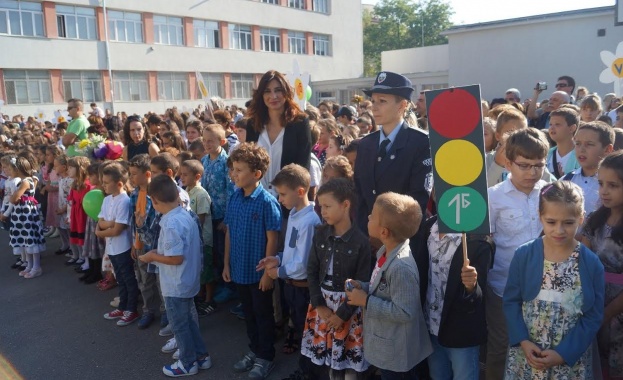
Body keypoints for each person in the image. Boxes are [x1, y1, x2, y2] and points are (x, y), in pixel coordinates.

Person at [504, 181, 604, 378]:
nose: (559, 230)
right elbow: (511, 302)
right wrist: (523, 340)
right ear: (540, 217)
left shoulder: (591, 264)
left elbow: (593, 316)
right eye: (551, 222)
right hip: (528, 356)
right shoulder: (523, 255)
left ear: (581, 219)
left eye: (568, 223)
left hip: (570, 362)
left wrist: (563, 354)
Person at [486, 128, 550, 380]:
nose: (532, 173)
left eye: (538, 166)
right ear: (508, 162)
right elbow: (485, 243)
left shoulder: (551, 192)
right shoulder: (494, 197)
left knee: (539, 348)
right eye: (524, 165)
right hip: (503, 287)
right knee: (501, 347)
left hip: (543, 288)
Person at [346, 192, 431, 379]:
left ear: (384, 232)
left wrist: (366, 301)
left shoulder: (401, 267)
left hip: (397, 354)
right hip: (388, 346)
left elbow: (405, 311)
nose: (368, 217)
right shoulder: (386, 251)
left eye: (373, 216)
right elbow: (384, 288)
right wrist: (364, 287)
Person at [138, 175, 211, 377]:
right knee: (188, 321)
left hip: (176, 284)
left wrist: (152, 256)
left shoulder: (171, 224)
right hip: (188, 280)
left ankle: (188, 363)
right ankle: (201, 356)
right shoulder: (185, 215)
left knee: (179, 325)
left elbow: (176, 258)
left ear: (154, 201)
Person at [302, 178, 371, 380]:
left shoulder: (361, 242)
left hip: (348, 309)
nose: (322, 211)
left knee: (349, 362)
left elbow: (362, 281)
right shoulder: (320, 234)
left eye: (327, 206)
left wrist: (342, 314)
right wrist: (319, 305)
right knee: (330, 361)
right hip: (323, 306)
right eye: (320, 206)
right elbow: (312, 270)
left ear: (346, 204)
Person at [354, 71, 432, 249]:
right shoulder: (365, 144)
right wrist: (366, 234)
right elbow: (359, 196)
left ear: (402, 105)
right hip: (369, 243)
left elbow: (417, 199)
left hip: (403, 243)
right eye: (373, 101)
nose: (374, 107)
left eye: (382, 101)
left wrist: (386, 236)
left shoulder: (420, 143)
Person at [223, 143, 282, 380]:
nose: (233, 174)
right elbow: (228, 232)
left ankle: (265, 356)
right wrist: (226, 264)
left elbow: (273, 239)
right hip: (239, 269)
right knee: (249, 314)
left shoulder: (267, 202)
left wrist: (268, 274)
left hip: (259, 274)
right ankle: (255, 349)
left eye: (239, 169)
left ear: (256, 174)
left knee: (263, 314)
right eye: (233, 169)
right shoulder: (235, 197)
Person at [417, 210, 494, 379]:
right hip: (432, 327)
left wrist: (471, 286)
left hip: (461, 334)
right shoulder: (429, 227)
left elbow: (477, 298)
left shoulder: (478, 239)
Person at [256, 164, 321, 359]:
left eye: (283, 194)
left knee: (308, 332)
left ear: (300, 191)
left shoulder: (310, 222)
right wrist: (277, 259)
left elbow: (302, 264)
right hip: (291, 286)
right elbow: (292, 251)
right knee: (301, 329)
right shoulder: (293, 214)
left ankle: (309, 370)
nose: (279, 199)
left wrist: (279, 272)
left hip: (302, 288)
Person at [580, 151, 623, 379]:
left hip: (617, 310)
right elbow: (580, 259)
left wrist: (604, 314)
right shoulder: (594, 220)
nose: (604, 191)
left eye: (613, 185)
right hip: (592, 302)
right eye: (601, 183)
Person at [245, 70, 312, 200]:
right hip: (257, 198)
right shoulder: (253, 124)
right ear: (261, 95)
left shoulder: (300, 123)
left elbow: (303, 166)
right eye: (267, 91)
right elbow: (249, 162)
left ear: (286, 92)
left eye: (278, 90)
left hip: (288, 202)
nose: (273, 96)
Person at [97, 163, 140, 327]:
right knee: (120, 279)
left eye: (107, 182)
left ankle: (132, 309)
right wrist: (109, 224)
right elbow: (100, 222)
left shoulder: (124, 201)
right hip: (112, 248)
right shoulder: (107, 199)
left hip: (123, 247)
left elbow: (117, 230)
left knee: (129, 279)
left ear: (119, 184)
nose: (104, 185)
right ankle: (123, 307)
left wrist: (102, 231)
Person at [200, 124, 235, 304]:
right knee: (211, 251)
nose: (206, 144)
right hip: (207, 214)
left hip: (221, 216)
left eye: (210, 141)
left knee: (223, 252)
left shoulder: (226, 163)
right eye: (204, 140)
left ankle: (228, 286)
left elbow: (231, 191)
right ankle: (216, 283)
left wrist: (227, 219)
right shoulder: (204, 160)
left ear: (221, 142)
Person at [179, 159, 215, 316]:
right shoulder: (186, 190)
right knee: (198, 270)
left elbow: (200, 219)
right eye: (181, 174)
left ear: (197, 176)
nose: (182, 177)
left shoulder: (200, 194)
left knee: (206, 271)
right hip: (192, 240)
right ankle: (200, 297)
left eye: (185, 174)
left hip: (203, 240)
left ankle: (209, 300)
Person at [128, 154, 160, 330]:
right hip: (141, 245)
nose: (131, 177)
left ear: (147, 174)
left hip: (154, 245)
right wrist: (135, 242)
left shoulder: (156, 194)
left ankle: (165, 312)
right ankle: (149, 310)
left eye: (134, 174)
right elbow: (135, 221)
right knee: (144, 280)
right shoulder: (134, 194)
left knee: (159, 281)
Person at [561, 121, 615, 215]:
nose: (581, 149)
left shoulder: (616, 183)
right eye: (577, 143)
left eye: (589, 144)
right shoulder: (566, 180)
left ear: (607, 150)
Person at [10, 156, 46, 278]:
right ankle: (29, 266)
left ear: (18, 169)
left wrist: (13, 196)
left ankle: (36, 267)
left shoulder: (25, 181)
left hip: (26, 212)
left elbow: (14, 198)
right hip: (21, 213)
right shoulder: (24, 181)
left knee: (30, 239)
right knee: (25, 240)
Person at [66, 156, 92, 271]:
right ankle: (83, 258)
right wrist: (69, 216)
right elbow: (71, 200)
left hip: (83, 215)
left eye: (71, 168)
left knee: (85, 239)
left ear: (80, 169)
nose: (68, 170)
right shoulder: (74, 184)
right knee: (79, 239)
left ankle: (88, 262)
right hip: (76, 214)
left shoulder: (87, 185)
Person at [81, 162, 105, 284]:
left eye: (91, 175)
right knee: (91, 245)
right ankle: (91, 269)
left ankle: (97, 272)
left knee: (97, 247)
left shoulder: (103, 192)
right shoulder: (94, 189)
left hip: (99, 222)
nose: (89, 178)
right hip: (91, 221)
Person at [546, 107, 580, 178]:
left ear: (571, 128)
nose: (552, 128)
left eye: (557, 124)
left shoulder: (581, 156)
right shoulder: (547, 154)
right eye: (550, 124)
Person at [55, 154, 72, 257]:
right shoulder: (61, 179)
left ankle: (72, 248)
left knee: (70, 229)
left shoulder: (70, 181)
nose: (54, 168)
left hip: (68, 210)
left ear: (64, 167)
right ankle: (66, 245)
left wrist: (64, 208)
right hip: (61, 208)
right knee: (62, 228)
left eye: (56, 166)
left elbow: (70, 198)